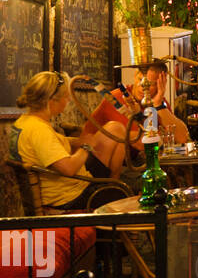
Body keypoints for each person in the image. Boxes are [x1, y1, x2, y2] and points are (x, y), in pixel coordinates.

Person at [9, 71, 128, 211]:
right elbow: (69, 169)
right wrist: (85, 146)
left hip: (68, 188)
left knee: (115, 129)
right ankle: (111, 195)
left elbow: (51, 144)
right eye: (66, 97)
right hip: (70, 197)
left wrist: (75, 142)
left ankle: (112, 184)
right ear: (51, 101)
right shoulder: (39, 130)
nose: (69, 100)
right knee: (124, 192)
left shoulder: (25, 122)